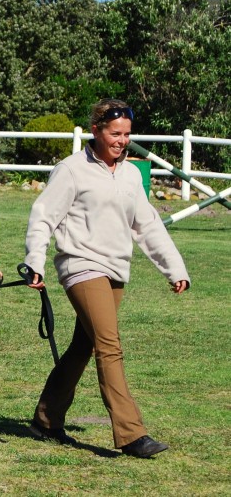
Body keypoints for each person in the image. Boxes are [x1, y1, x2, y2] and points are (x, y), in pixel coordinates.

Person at [23, 98, 191, 458]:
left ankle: (46, 419)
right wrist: (34, 261)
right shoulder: (71, 170)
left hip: (115, 270)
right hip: (80, 265)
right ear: (96, 130)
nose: (122, 140)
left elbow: (147, 225)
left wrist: (174, 268)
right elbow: (43, 218)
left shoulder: (131, 174)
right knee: (110, 346)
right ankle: (131, 434)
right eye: (115, 133)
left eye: (127, 134)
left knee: (83, 347)